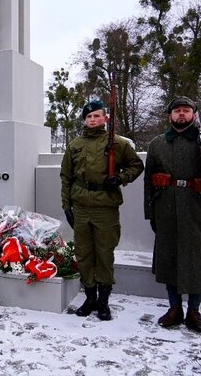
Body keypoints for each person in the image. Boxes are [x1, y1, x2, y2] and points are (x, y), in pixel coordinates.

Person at [144, 96, 201, 333]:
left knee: (198, 260)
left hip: (198, 208)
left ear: (194, 114)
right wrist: (150, 213)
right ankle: (174, 309)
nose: (182, 114)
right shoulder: (157, 144)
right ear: (169, 116)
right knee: (169, 259)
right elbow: (148, 180)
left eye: (186, 110)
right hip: (166, 208)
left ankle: (194, 311)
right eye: (177, 110)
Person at [60, 100, 144, 320]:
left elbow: (137, 166)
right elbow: (66, 177)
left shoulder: (118, 143)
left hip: (105, 207)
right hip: (81, 206)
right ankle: (90, 298)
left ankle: (103, 301)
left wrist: (120, 178)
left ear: (105, 118)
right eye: (89, 117)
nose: (92, 120)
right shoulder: (75, 145)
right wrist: (66, 206)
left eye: (96, 116)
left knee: (105, 254)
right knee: (84, 254)